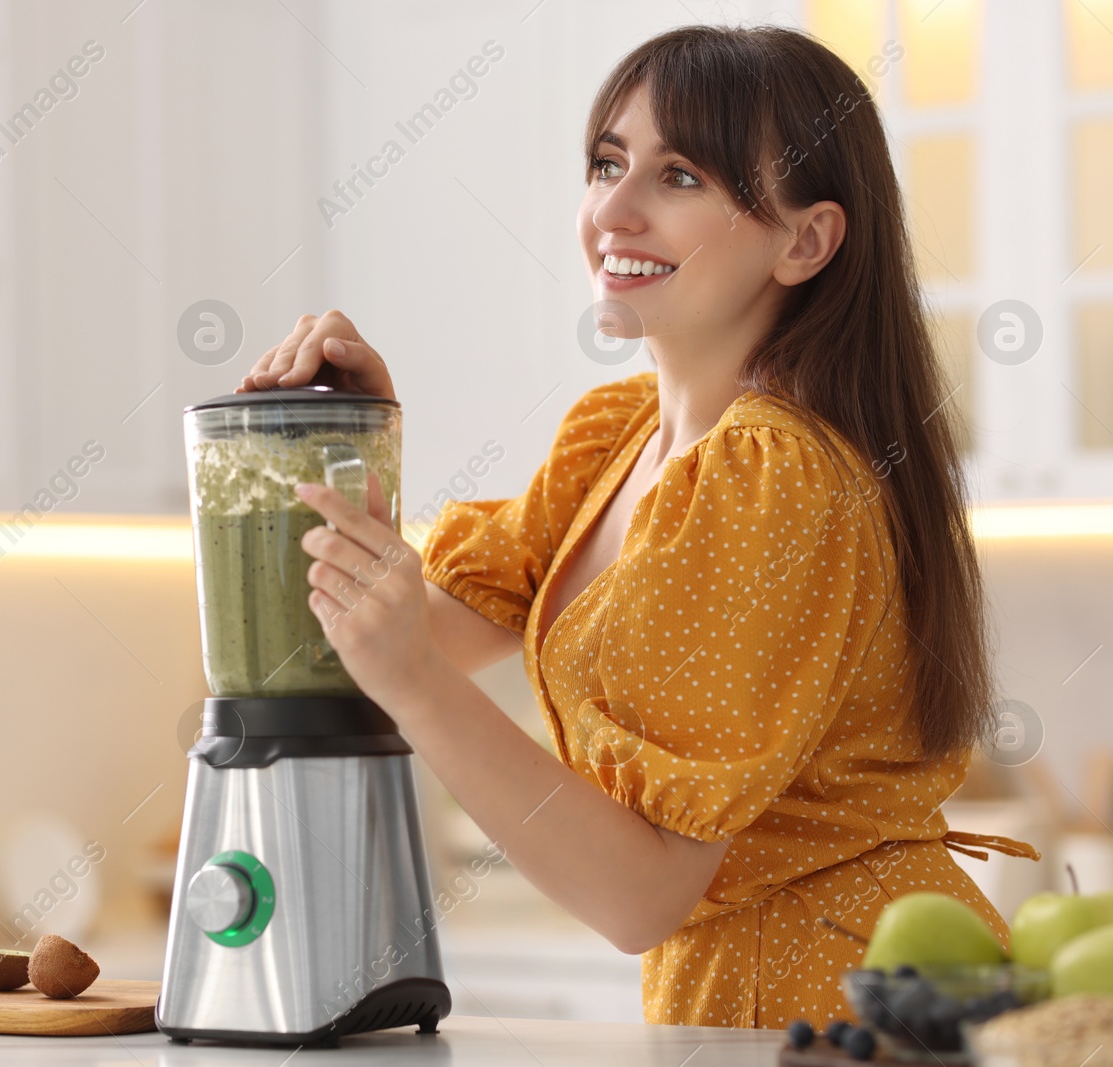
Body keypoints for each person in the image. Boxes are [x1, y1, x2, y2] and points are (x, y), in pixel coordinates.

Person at [234, 23, 1038, 1029]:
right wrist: (349, 440)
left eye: (682, 177)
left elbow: (639, 893)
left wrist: (416, 682)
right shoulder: (621, 440)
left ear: (806, 240)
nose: (612, 209)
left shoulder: (774, 480)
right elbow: (363, 643)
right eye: (606, 163)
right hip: (743, 1006)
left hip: (831, 1015)